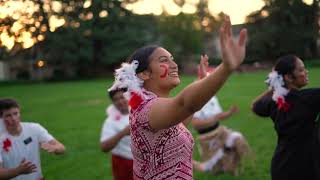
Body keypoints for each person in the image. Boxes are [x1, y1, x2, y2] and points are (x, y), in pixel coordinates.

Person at [109, 15, 247, 179]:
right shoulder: (146, 110)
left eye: (172, 60)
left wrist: (203, 84)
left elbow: (181, 118)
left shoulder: (153, 109)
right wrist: (226, 68)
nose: (174, 65)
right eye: (163, 61)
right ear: (145, 73)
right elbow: (185, 104)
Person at [252, 55, 320, 180]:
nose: (306, 72)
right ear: (288, 77)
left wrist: (275, 87)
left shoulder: (275, 101)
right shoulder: (310, 98)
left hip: (281, 167)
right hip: (305, 168)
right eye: (301, 70)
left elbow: (256, 107)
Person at [192, 55, 251, 176]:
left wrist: (229, 113)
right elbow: (196, 124)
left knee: (237, 139)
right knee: (212, 169)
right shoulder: (196, 99)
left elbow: (219, 116)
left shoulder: (212, 97)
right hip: (207, 137)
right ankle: (194, 163)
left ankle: (232, 166)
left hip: (220, 131)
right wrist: (213, 119)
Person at [0, 98, 65, 180]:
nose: (13, 118)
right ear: (1, 119)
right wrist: (18, 171)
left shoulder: (34, 128)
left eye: (15, 113)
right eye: (8, 115)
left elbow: (62, 148)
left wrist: (55, 148)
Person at [100, 88, 133, 180]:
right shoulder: (110, 121)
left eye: (122, 97)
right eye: (115, 99)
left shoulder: (139, 112)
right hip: (123, 163)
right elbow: (104, 147)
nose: (120, 101)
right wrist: (123, 133)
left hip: (144, 161)